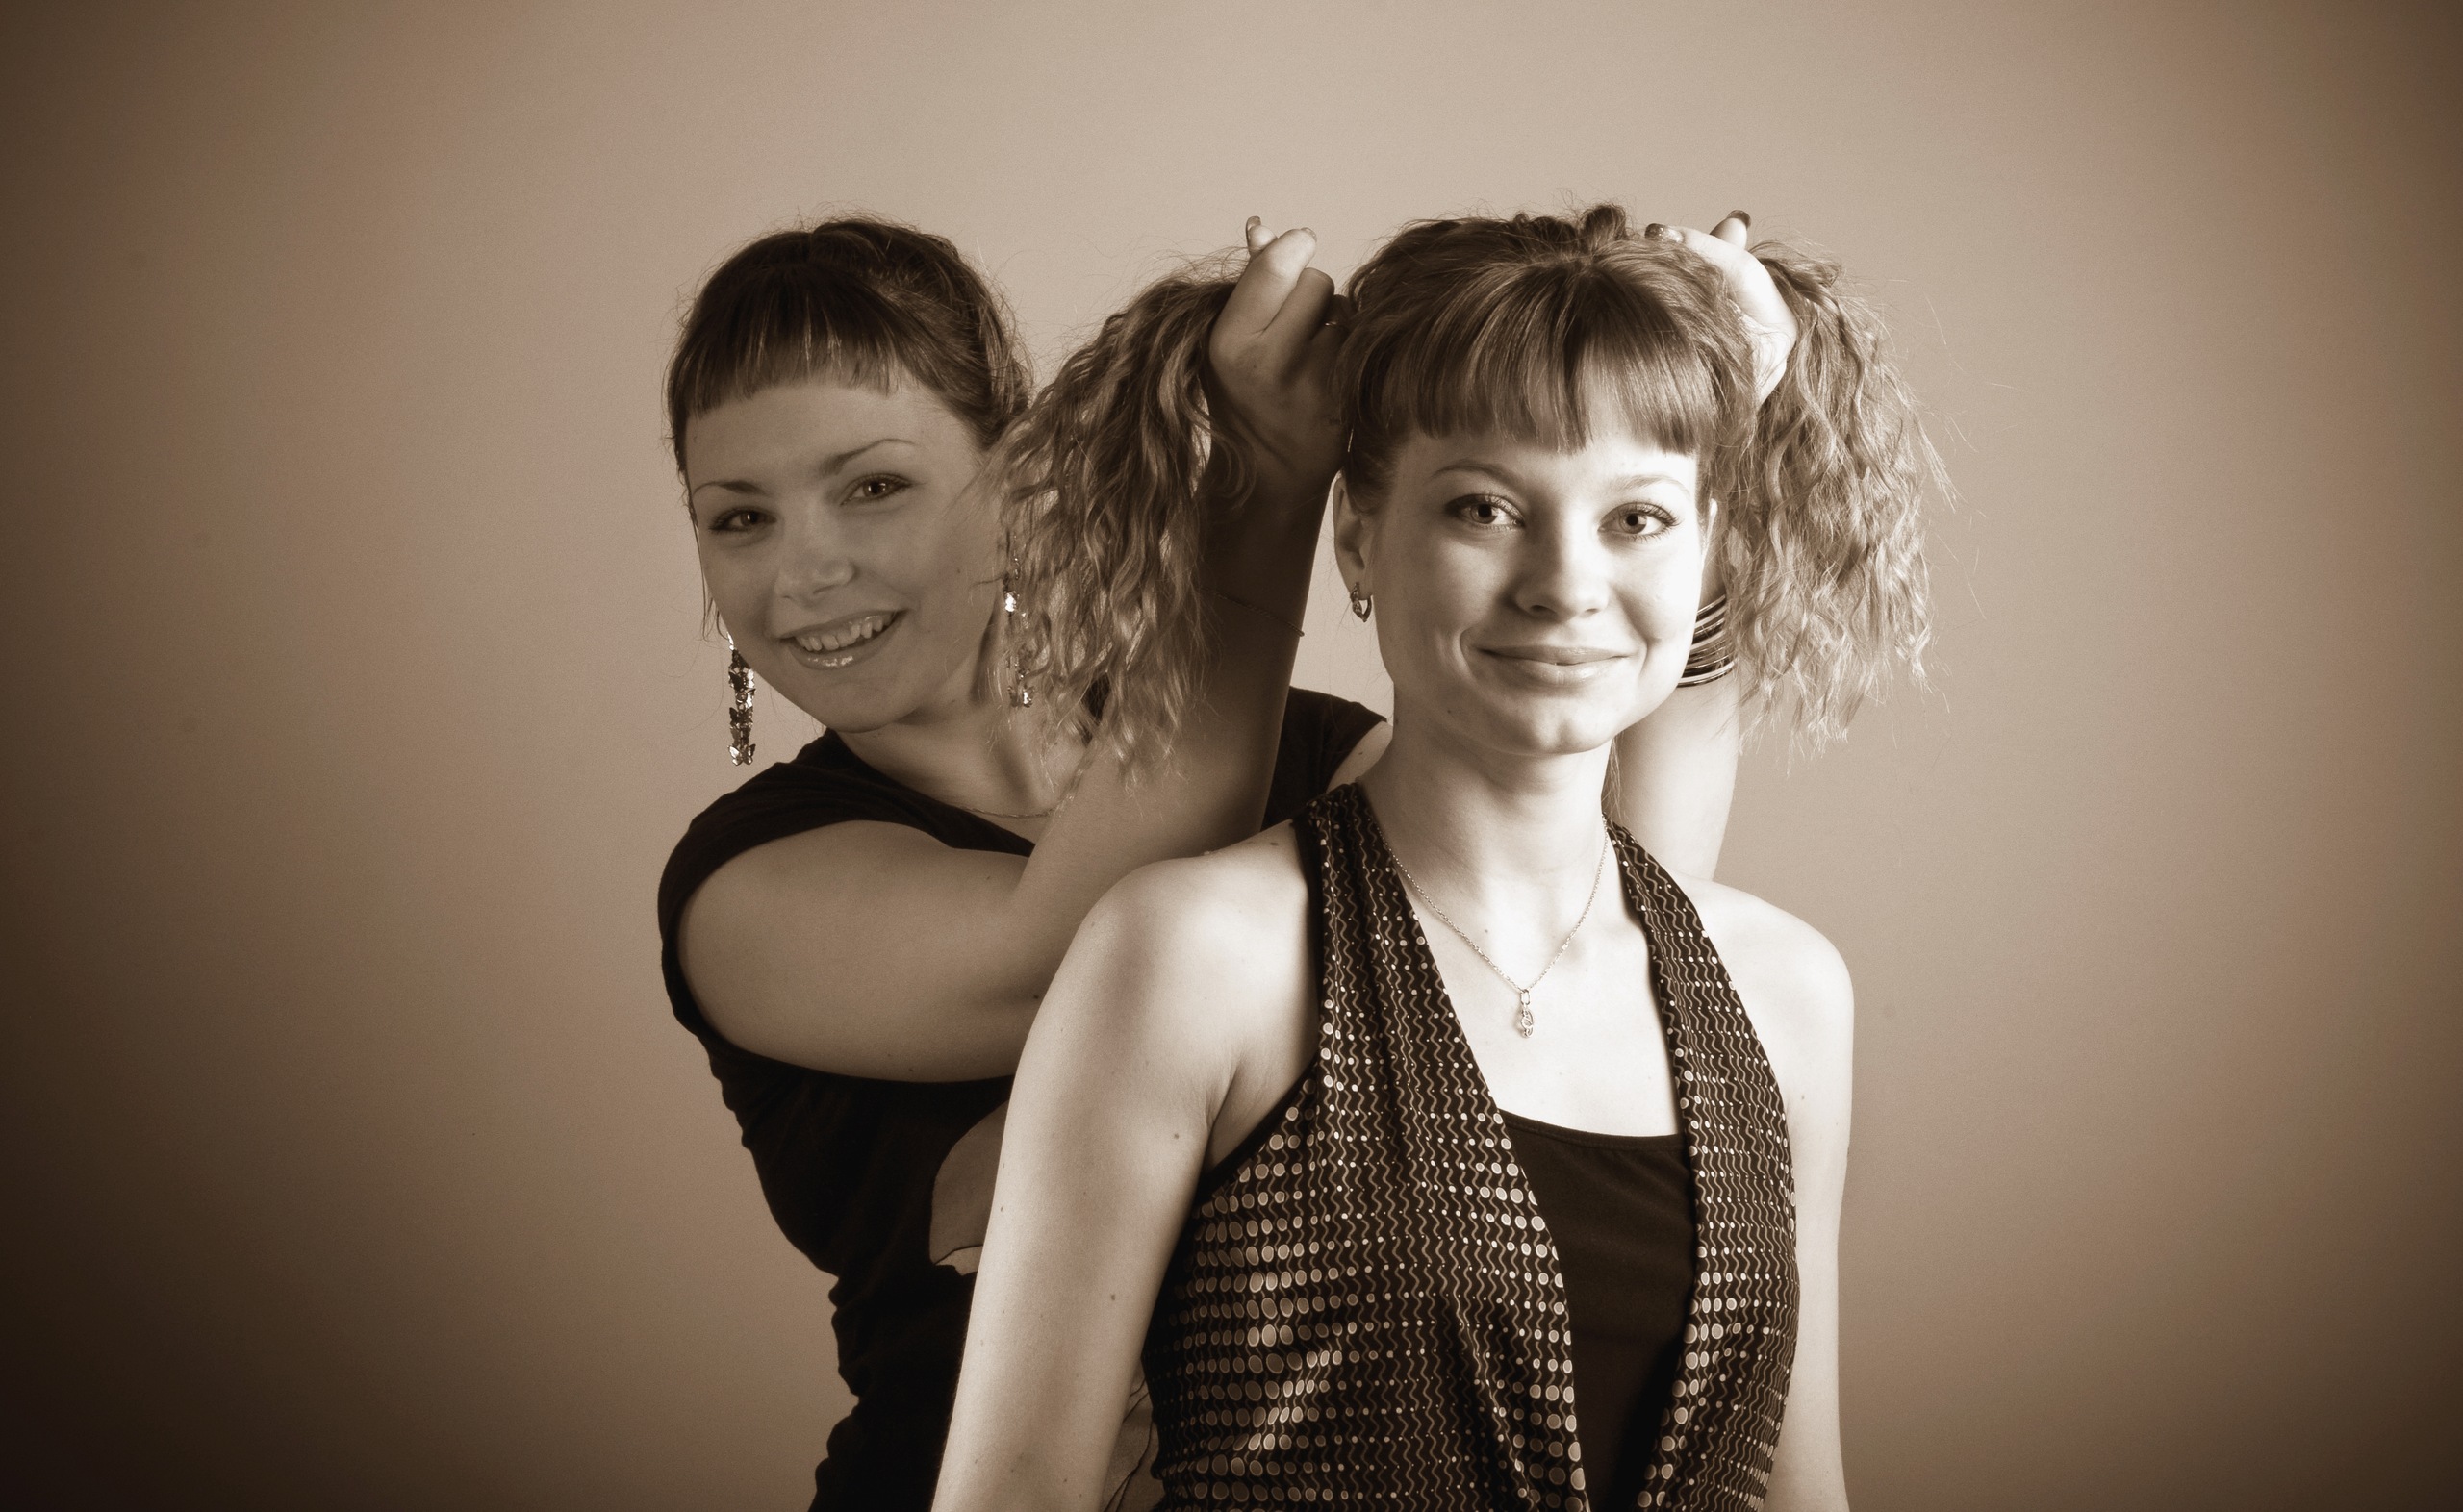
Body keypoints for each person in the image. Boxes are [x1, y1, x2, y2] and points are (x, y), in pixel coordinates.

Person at [654, 212, 1775, 1509]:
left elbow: (1613, 932)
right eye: (740, 518)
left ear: (1020, 473)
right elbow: (1084, 950)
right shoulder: (747, 890)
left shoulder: (1314, 758)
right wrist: (1266, 481)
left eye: (873, 487)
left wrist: (1712, 452)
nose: (807, 569)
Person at [933, 205, 1938, 1512]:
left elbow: (1803, 1492)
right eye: (1485, 508)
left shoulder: (1785, 991)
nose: (1564, 583)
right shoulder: (1197, 956)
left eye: (1638, 518)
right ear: (1358, 536)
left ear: (1709, 551)